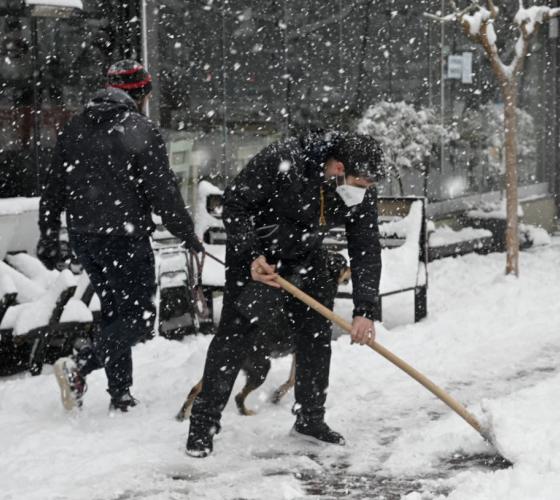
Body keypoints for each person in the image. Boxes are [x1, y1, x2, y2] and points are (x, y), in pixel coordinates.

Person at [185, 131, 384, 457]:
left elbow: (365, 247)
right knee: (235, 334)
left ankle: (310, 419)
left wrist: (365, 309)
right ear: (338, 168)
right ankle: (202, 427)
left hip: (307, 256)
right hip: (259, 258)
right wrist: (251, 255)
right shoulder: (286, 160)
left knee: (317, 333)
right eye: (360, 184)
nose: (364, 192)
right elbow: (235, 202)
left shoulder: (360, 190)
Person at [37, 60, 203, 412]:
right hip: (124, 239)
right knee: (139, 319)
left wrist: (49, 233)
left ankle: (120, 394)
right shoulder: (139, 129)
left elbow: (53, 188)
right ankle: (80, 366)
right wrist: (187, 234)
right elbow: (163, 192)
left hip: (85, 236)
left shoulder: (74, 128)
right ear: (140, 93)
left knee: (114, 312)